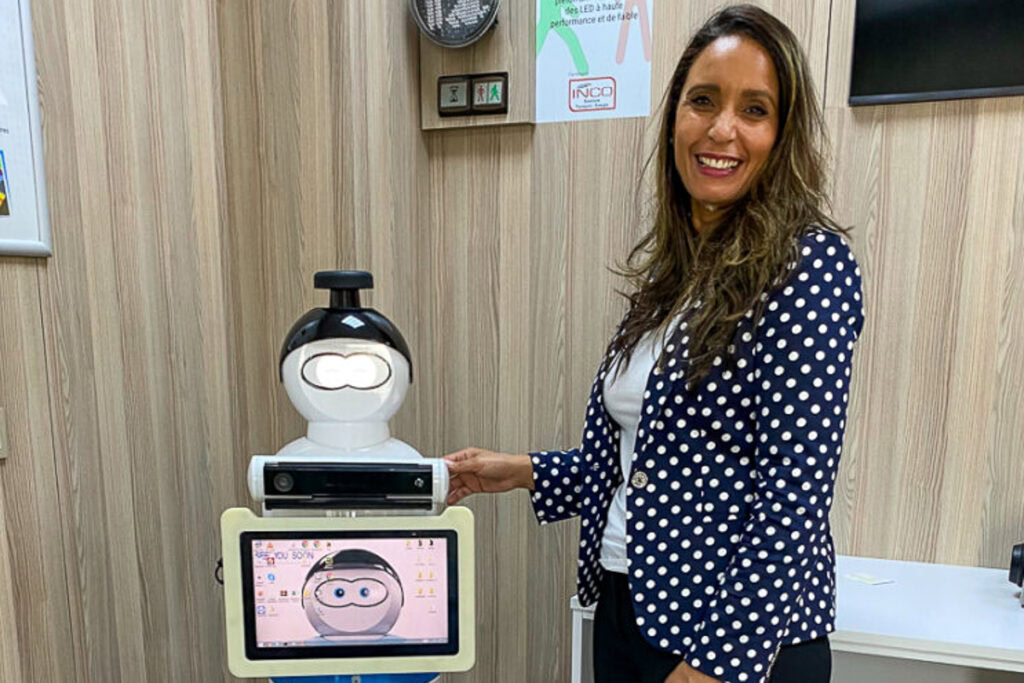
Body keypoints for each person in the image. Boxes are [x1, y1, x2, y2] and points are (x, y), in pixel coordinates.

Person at [444, 5, 864, 682]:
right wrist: (519, 469)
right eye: (703, 100)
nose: (722, 128)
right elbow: (662, 465)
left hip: (730, 646)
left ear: (781, 135)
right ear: (675, 117)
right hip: (629, 609)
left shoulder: (807, 266)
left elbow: (794, 494)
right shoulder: (674, 279)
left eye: (754, 109)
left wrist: (715, 665)